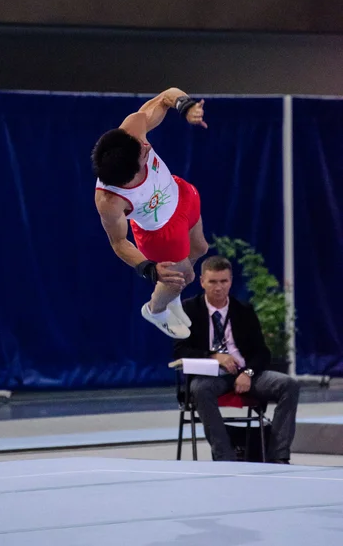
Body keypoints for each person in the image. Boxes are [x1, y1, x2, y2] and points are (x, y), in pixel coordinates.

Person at [92, 88, 209, 339]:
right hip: (159, 232)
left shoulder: (132, 131)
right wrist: (149, 269)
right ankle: (155, 310)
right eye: (143, 154)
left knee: (200, 249)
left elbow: (166, 95)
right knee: (184, 275)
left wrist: (186, 107)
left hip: (181, 194)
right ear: (128, 176)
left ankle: (171, 296)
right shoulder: (109, 200)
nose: (147, 147)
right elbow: (119, 242)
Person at [174, 255, 300, 463]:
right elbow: (180, 351)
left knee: (289, 385)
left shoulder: (243, 311)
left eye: (224, 281)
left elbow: (262, 352)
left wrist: (248, 373)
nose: (218, 287)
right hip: (211, 375)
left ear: (231, 281)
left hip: (245, 373)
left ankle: (278, 456)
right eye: (213, 281)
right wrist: (214, 356)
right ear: (202, 281)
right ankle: (226, 457)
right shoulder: (189, 310)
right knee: (200, 389)